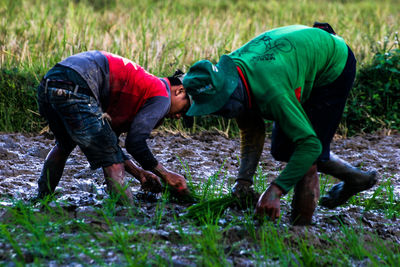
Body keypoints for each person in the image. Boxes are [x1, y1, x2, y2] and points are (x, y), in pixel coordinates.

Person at [182, 24, 378, 225]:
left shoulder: (271, 92)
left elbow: (309, 146)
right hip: (294, 60)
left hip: (332, 65)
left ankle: (301, 232)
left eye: (219, 107)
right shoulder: (231, 77)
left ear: (228, 94)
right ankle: (356, 178)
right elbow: (252, 128)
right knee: (282, 149)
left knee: (305, 156)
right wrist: (243, 181)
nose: (220, 114)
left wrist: (276, 190)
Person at [36, 50, 190, 204]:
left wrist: (139, 173)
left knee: (64, 145)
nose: (178, 117)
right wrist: (165, 174)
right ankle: (127, 216)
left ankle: (41, 201)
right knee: (113, 164)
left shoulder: (141, 88)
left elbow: (110, 144)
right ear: (179, 91)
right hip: (79, 84)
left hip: (50, 82)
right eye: (183, 109)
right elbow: (135, 143)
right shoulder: (162, 95)